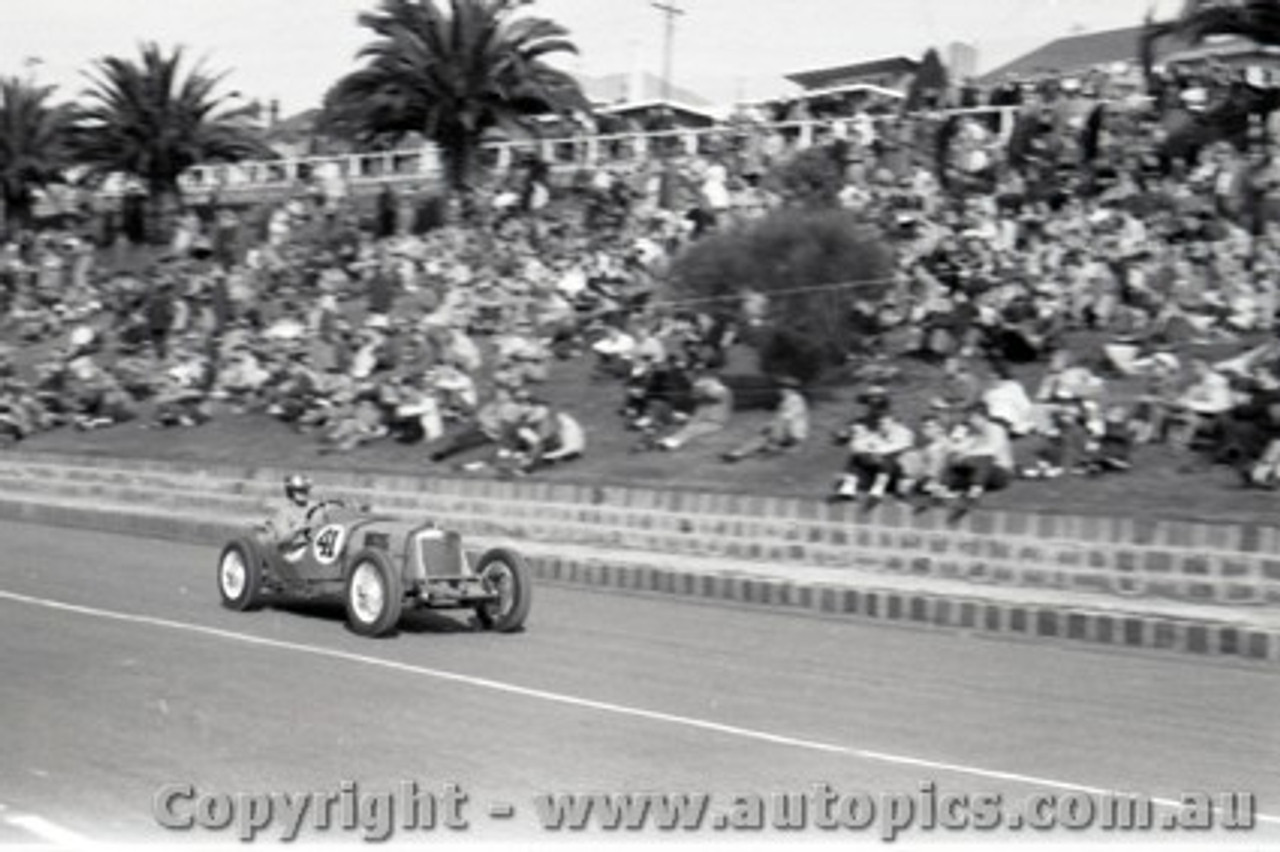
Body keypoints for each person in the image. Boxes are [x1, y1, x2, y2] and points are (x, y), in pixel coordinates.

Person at [262, 474, 317, 552]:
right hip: (293, 551)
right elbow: (282, 539)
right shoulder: (284, 512)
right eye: (299, 491)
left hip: (314, 549)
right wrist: (296, 530)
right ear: (291, 492)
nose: (303, 493)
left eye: (305, 490)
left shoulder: (316, 509)